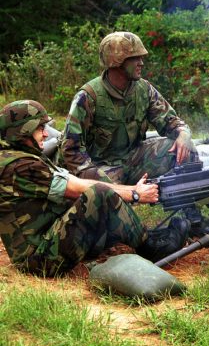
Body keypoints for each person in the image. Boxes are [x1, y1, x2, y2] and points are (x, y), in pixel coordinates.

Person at [0, 100, 188, 277]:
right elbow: (75, 188)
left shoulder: (15, 156)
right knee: (99, 193)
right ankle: (151, 246)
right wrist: (135, 194)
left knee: (93, 183)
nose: (46, 134)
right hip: (39, 260)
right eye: (40, 128)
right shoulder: (19, 166)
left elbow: (68, 180)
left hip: (42, 241)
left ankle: (142, 235)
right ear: (22, 132)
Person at [58, 31, 197, 184]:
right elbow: (71, 150)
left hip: (132, 160)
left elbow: (171, 121)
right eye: (135, 58)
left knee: (185, 149)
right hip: (100, 167)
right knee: (105, 188)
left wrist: (183, 133)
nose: (141, 63)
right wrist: (93, 177)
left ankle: (182, 203)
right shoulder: (88, 96)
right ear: (116, 60)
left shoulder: (144, 89)